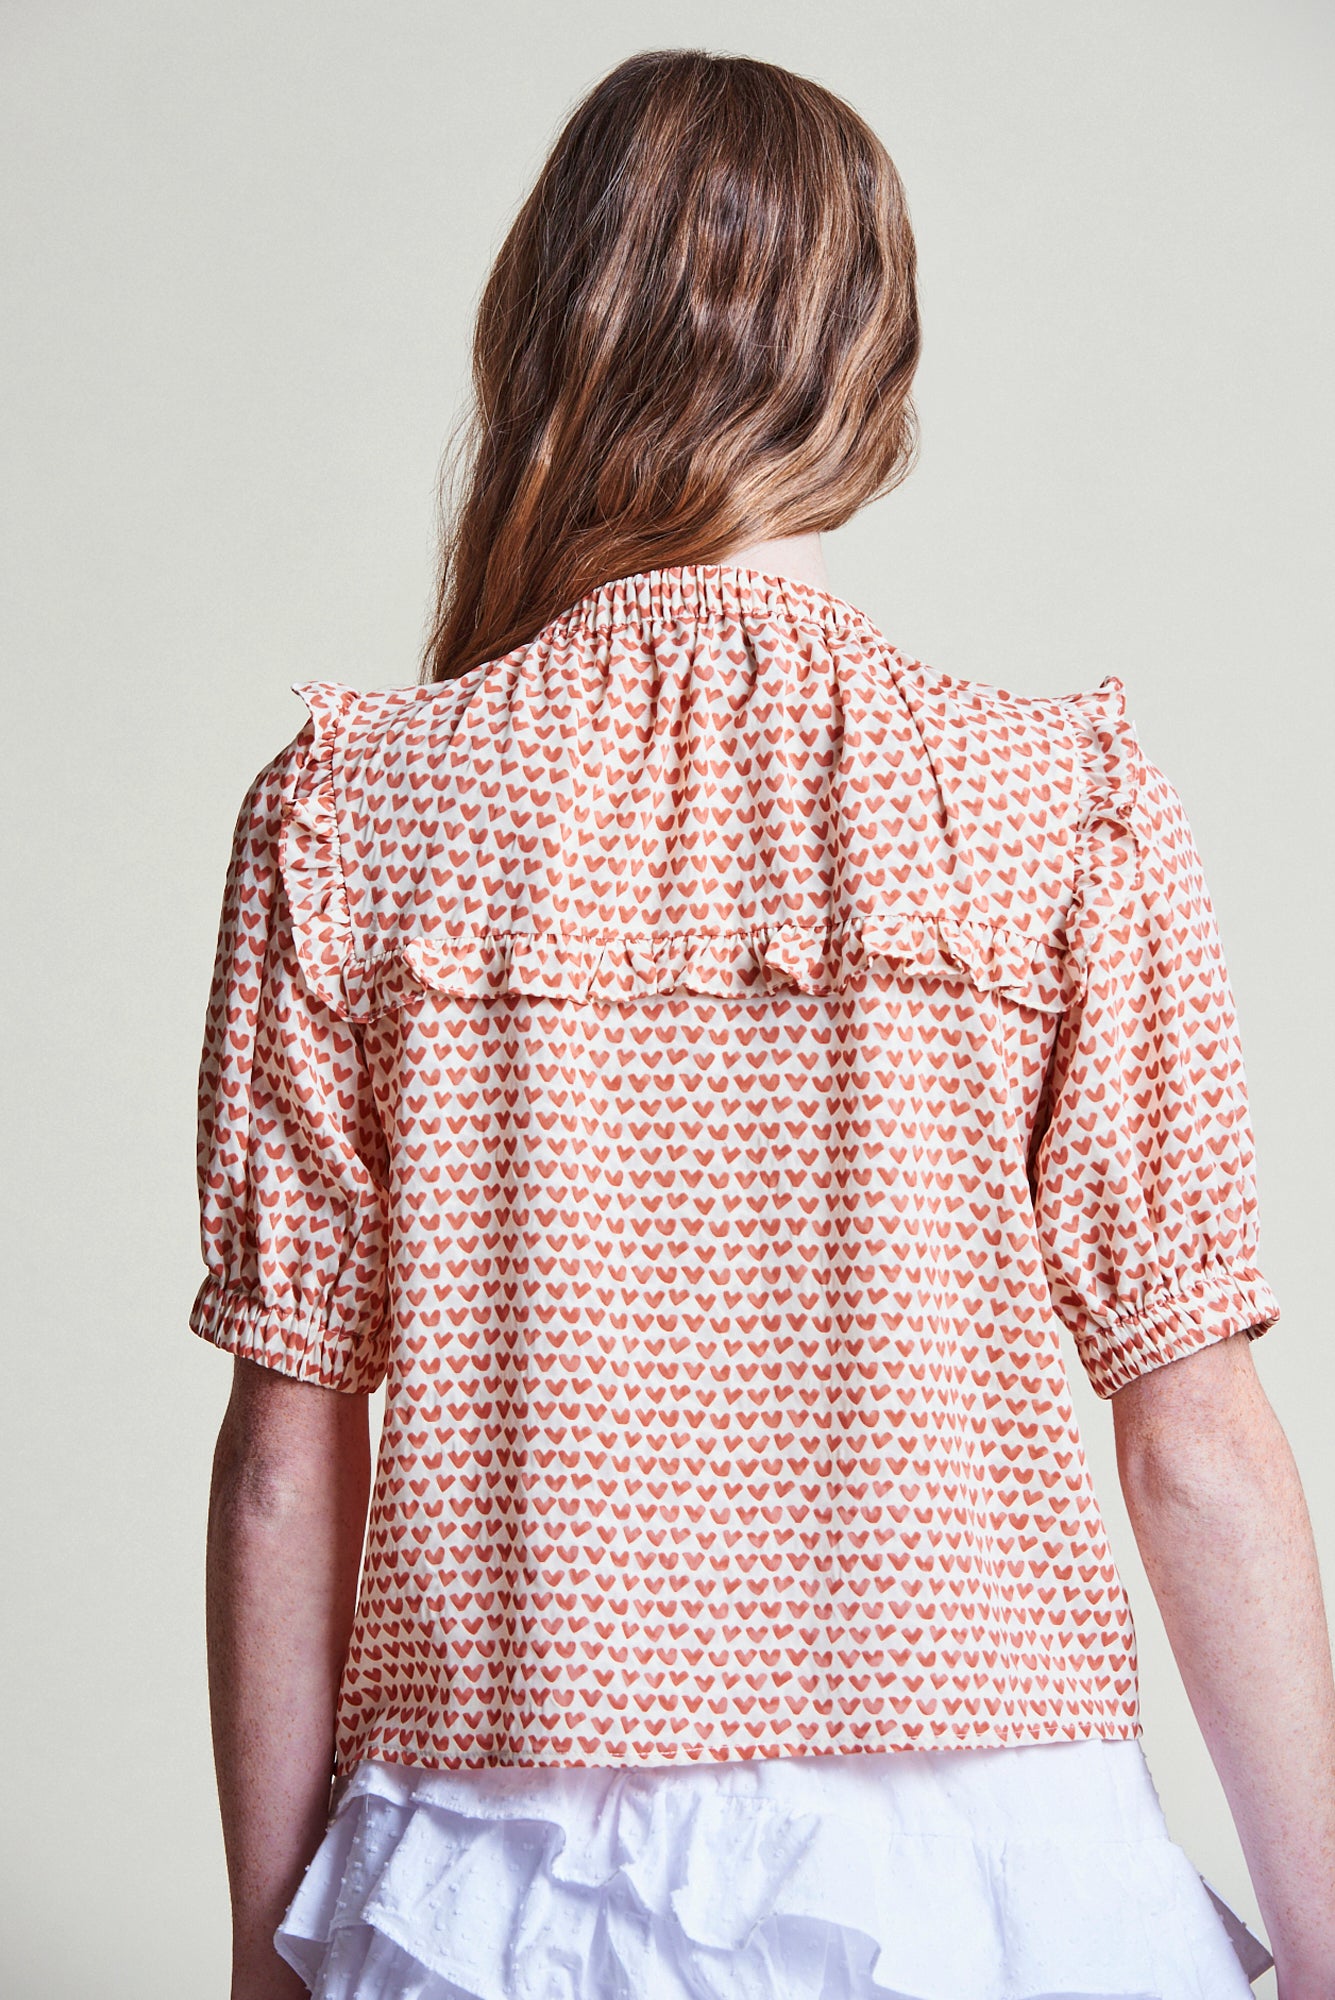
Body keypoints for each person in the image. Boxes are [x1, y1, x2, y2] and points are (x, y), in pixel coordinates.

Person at [192, 48, 1335, 2000]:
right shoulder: (1056, 803)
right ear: (872, 367)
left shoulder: (349, 810)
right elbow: (1193, 1437)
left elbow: (289, 1458)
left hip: (496, 1874)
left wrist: (262, 1951)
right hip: (982, 1869)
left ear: (540, 330)